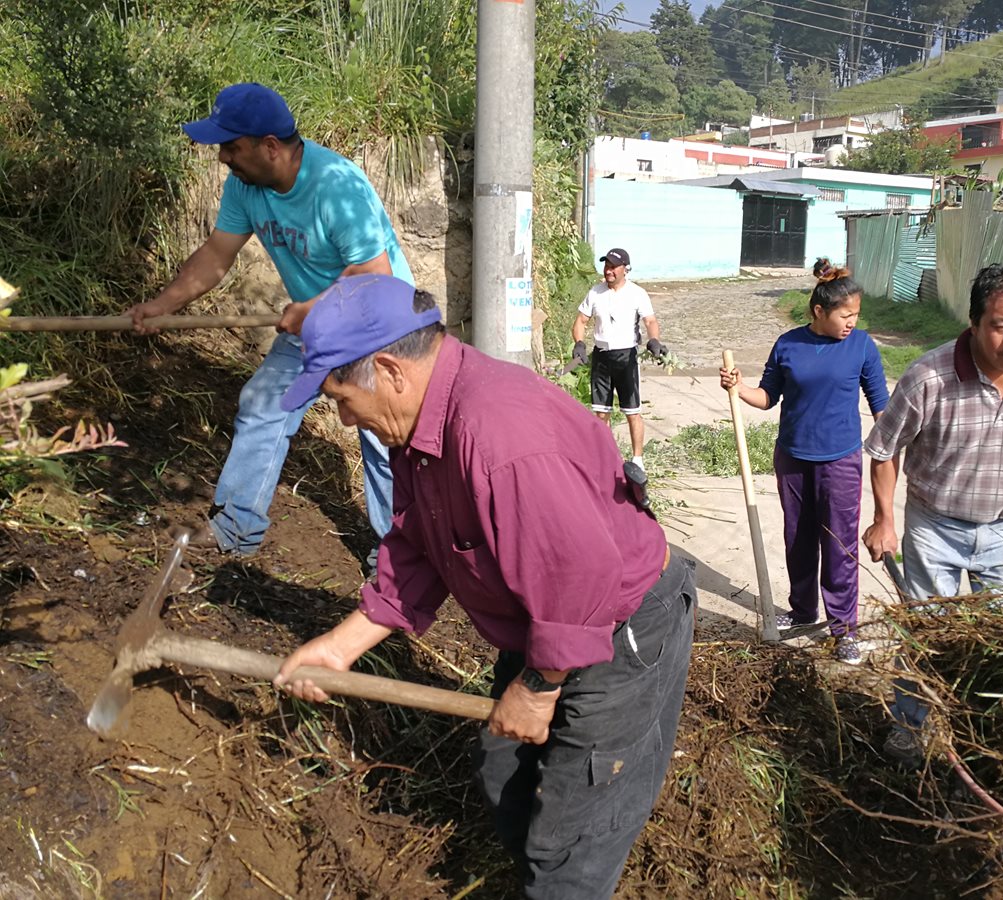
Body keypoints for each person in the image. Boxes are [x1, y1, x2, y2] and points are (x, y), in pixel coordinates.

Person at [273, 274, 695, 900]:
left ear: (388, 370)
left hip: (620, 626)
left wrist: (540, 687)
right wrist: (340, 647)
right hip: (547, 617)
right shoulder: (417, 426)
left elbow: (581, 574)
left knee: (573, 840)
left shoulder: (498, 435)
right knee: (504, 776)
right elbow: (417, 544)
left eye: (339, 397)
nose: (341, 418)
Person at [125, 82, 412, 562]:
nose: (223, 158)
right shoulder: (243, 186)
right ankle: (235, 531)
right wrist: (163, 303)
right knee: (262, 405)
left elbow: (372, 274)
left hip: (376, 319)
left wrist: (311, 309)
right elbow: (217, 255)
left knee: (382, 438)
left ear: (270, 147)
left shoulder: (337, 186)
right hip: (314, 323)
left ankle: (399, 559)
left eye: (231, 147)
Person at [860, 263, 1003, 761]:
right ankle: (910, 726)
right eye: (1002, 325)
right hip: (936, 526)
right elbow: (882, 451)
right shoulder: (929, 376)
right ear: (975, 322)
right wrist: (884, 519)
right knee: (926, 635)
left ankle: (989, 736)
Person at [719, 259, 888, 664]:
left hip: (840, 462)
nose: (851, 323)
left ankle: (843, 629)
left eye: (855, 316)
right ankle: (802, 611)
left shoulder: (862, 346)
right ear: (818, 311)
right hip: (793, 458)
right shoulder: (788, 344)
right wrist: (738, 387)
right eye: (844, 315)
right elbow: (767, 397)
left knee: (839, 546)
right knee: (798, 539)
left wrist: (896, 446)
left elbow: (882, 406)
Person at [571, 248, 665, 472]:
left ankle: (638, 460)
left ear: (626, 269)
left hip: (626, 357)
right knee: (601, 412)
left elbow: (650, 321)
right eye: (607, 266)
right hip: (602, 356)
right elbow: (581, 321)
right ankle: (605, 458)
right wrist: (579, 343)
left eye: (613, 266)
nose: (609, 270)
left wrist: (654, 341)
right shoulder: (596, 292)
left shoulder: (637, 293)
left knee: (632, 410)